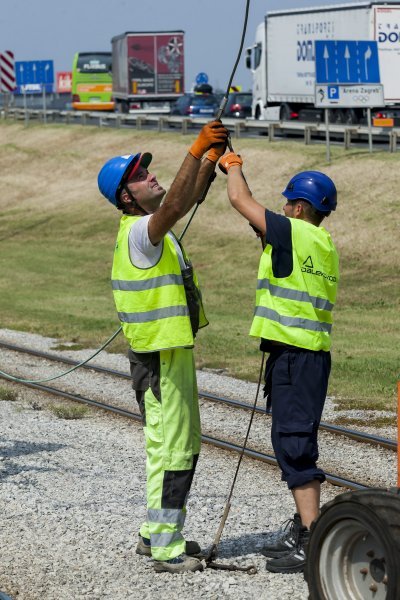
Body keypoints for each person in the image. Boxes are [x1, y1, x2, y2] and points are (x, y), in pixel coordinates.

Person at [97, 121, 228, 574]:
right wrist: (195, 150)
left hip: (167, 353)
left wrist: (209, 160)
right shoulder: (139, 231)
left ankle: (154, 533)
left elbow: (184, 198)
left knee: (173, 445)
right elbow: (175, 203)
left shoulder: (152, 229)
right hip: (159, 358)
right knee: (173, 449)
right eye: (139, 174)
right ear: (126, 197)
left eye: (147, 168)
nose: (149, 174)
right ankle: (166, 546)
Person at [220, 152, 339, 574]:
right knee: (294, 439)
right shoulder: (319, 242)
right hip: (305, 355)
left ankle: (313, 539)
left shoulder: (295, 233)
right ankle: (304, 526)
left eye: (288, 202)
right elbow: (259, 223)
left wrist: (232, 164)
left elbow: (240, 200)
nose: (282, 207)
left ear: (300, 208)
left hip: (296, 357)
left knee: (294, 444)